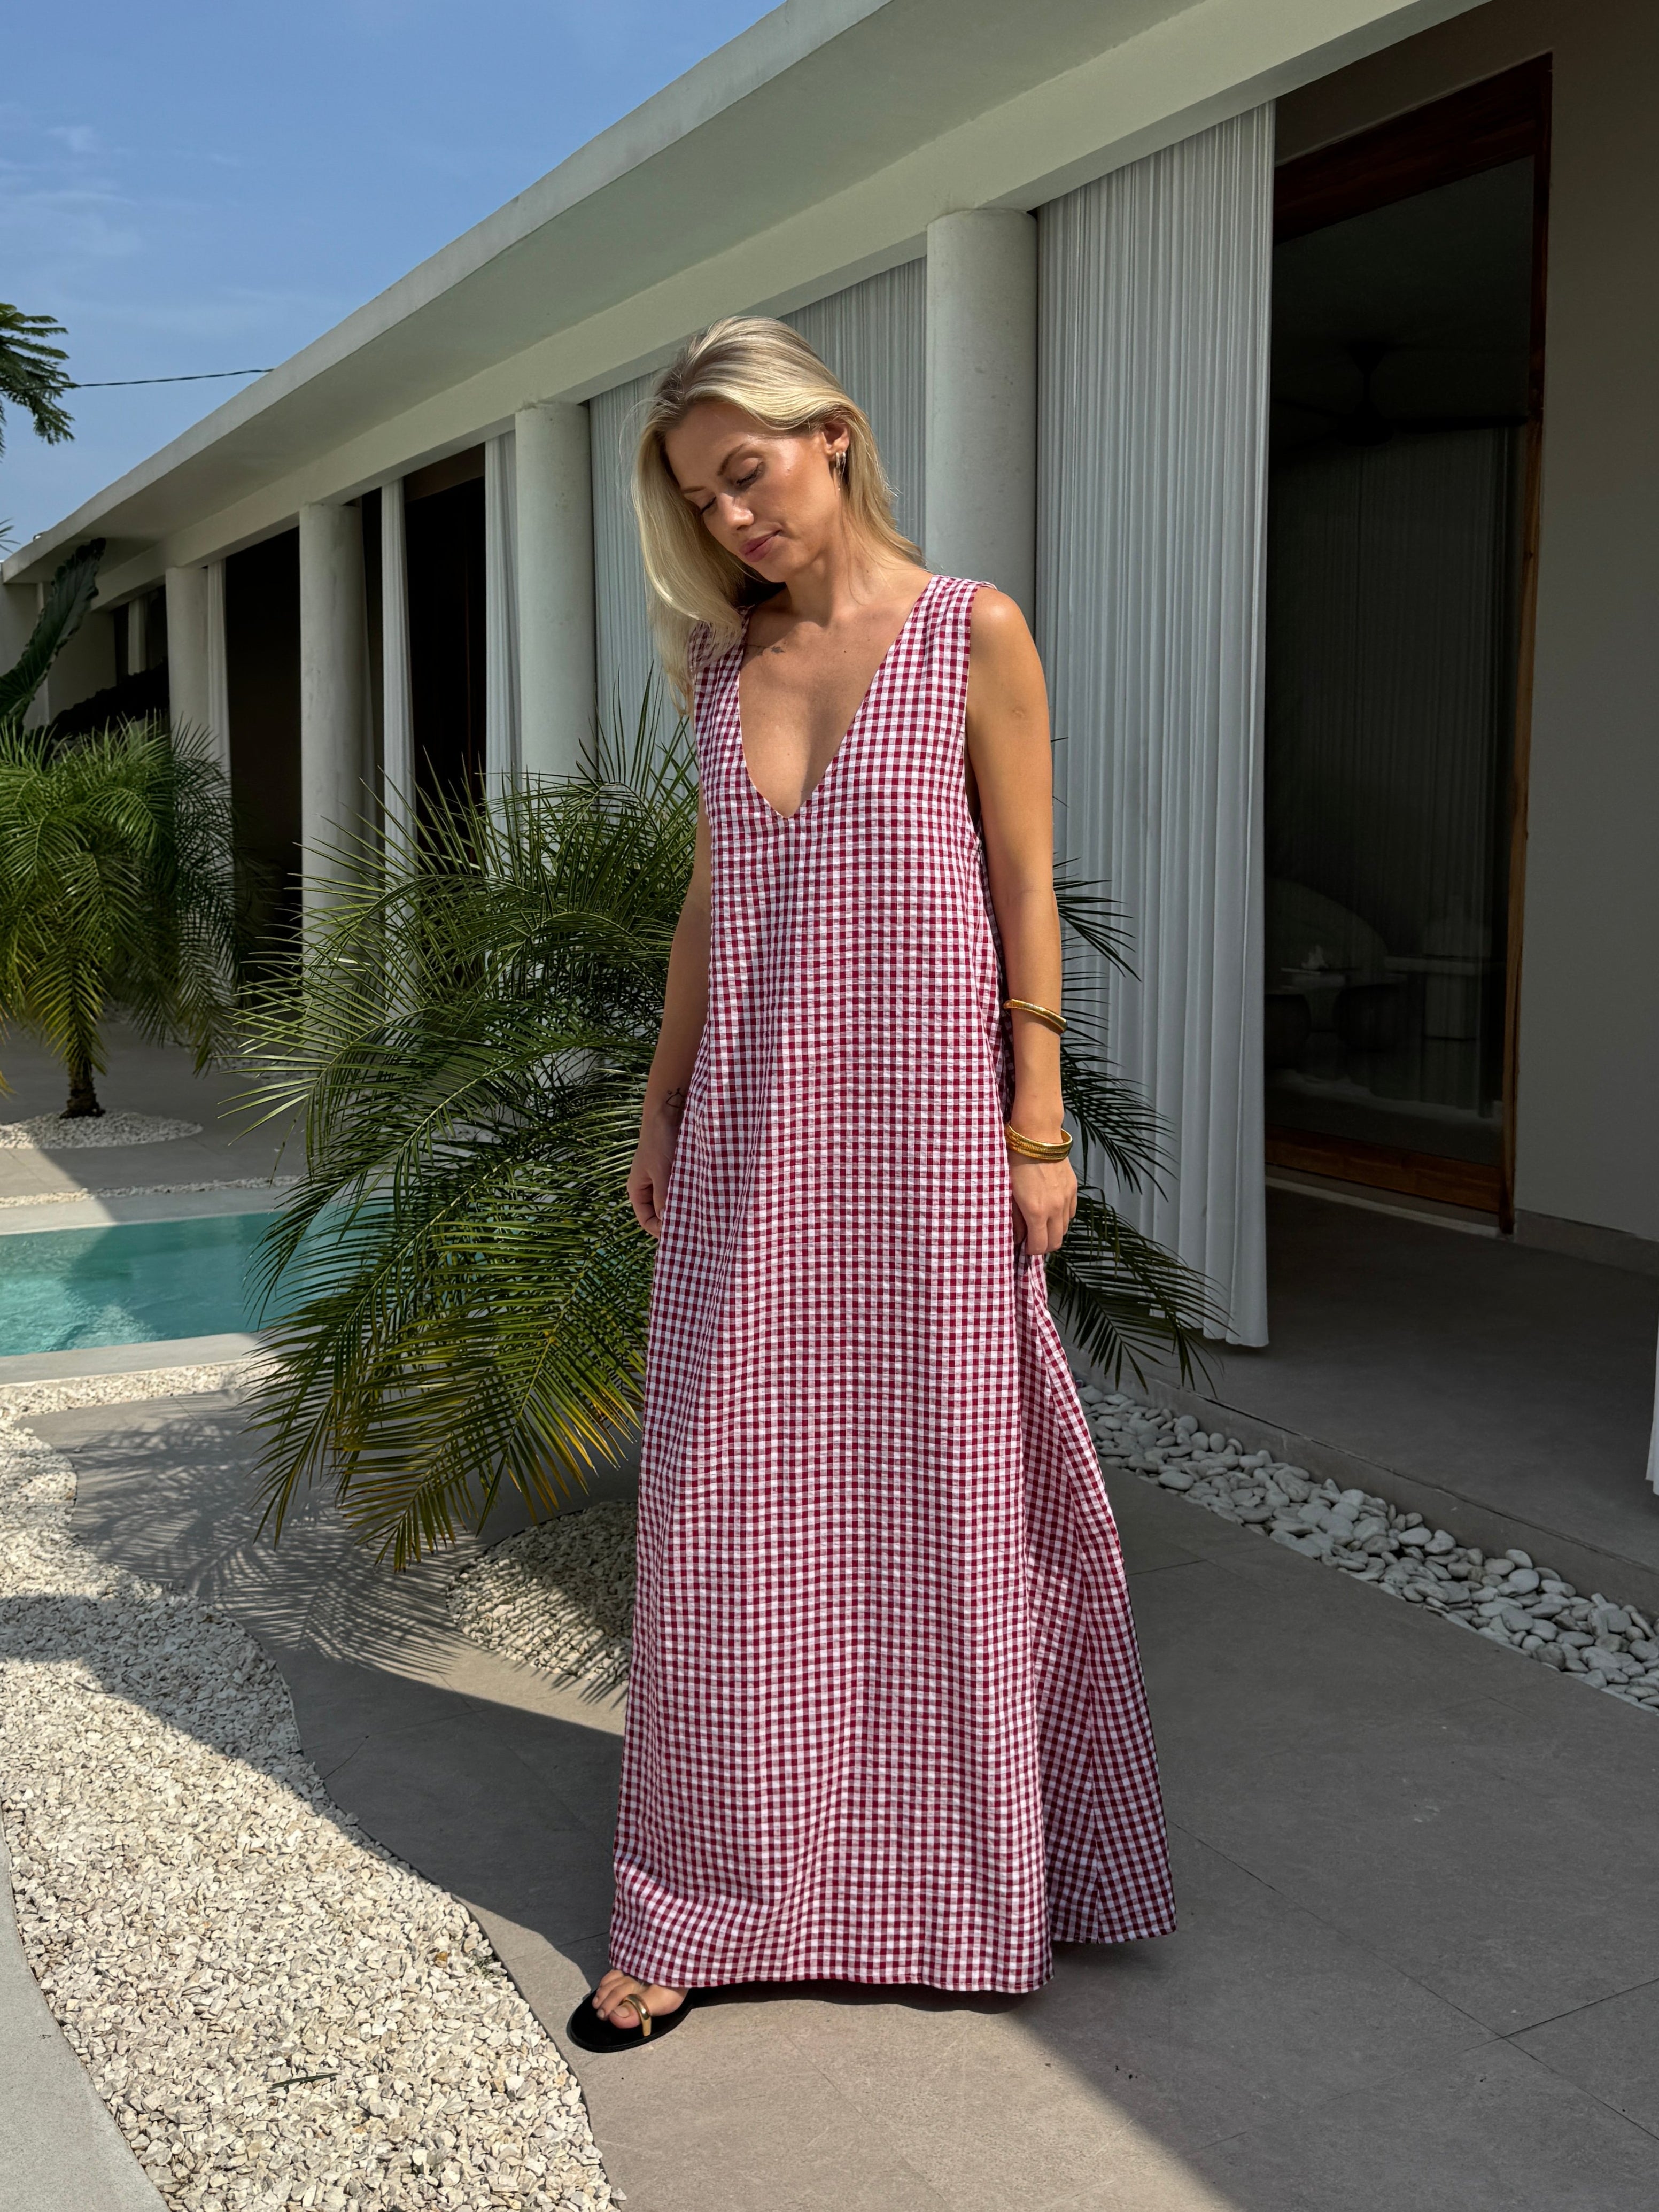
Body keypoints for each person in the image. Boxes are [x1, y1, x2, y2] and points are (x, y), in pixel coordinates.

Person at [566, 317, 1173, 2054]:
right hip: (747, 1149)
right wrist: (661, 1103)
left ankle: (948, 1889)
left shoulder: (972, 631)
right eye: (702, 499)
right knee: (719, 1524)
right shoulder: (718, 666)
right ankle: (691, 1901)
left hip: (924, 1147)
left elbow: (1025, 887)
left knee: (946, 1507)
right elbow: (710, 903)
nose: (732, 518)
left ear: (829, 434)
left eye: (745, 473)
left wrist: (1039, 1121)